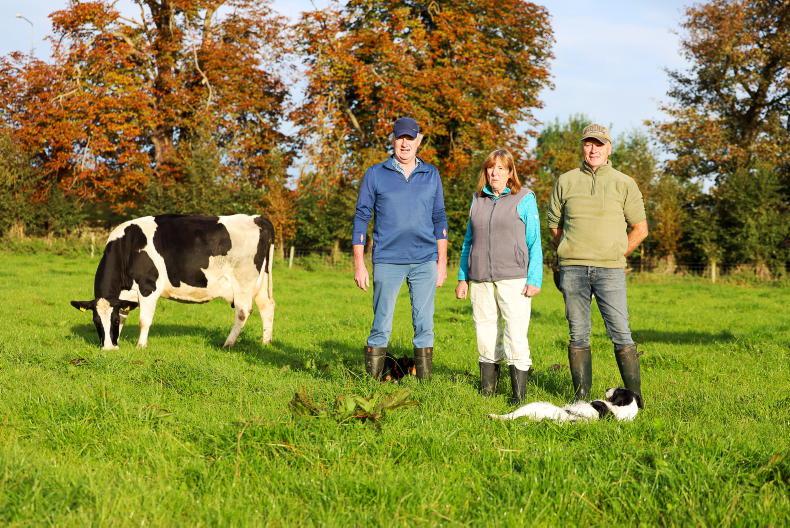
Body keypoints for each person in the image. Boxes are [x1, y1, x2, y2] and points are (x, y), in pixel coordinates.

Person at [546, 123, 648, 407]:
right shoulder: (565, 181)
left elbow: (640, 228)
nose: (593, 149)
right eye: (588, 144)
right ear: (582, 147)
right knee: (578, 333)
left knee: (620, 331)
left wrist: (616, 253)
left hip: (610, 270)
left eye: (599, 144)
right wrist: (569, 251)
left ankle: (636, 400)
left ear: (609, 148)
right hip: (573, 270)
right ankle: (580, 399)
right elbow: (553, 225)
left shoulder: (624, 182)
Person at [353, 117, 448, 381]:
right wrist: (359, 264)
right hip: (387, 260)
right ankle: (372, 383)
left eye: (410, 138)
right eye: (400, 137)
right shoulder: (376, 174)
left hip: (424, 260)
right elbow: (361, 217)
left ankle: (425, 384)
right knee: (381, 322)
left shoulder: (431, 174)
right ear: (393, 139)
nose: (405, 143)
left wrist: (441, 262)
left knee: (424, 323)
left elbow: (440, 217)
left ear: (418, 141)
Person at [455, 148, 543, 404]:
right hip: (480, 277)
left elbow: (535, 241)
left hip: (514, 277)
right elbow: (467, 241)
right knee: (485, 330)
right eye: (491, 168)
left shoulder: (524, 198)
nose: (495, 172)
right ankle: (488, 390)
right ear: (486, 171)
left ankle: (518, 395)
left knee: (515, 333)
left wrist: (534, 278)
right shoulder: (477, 199)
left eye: (501, 168)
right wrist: (463, 277)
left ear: (510, 172)